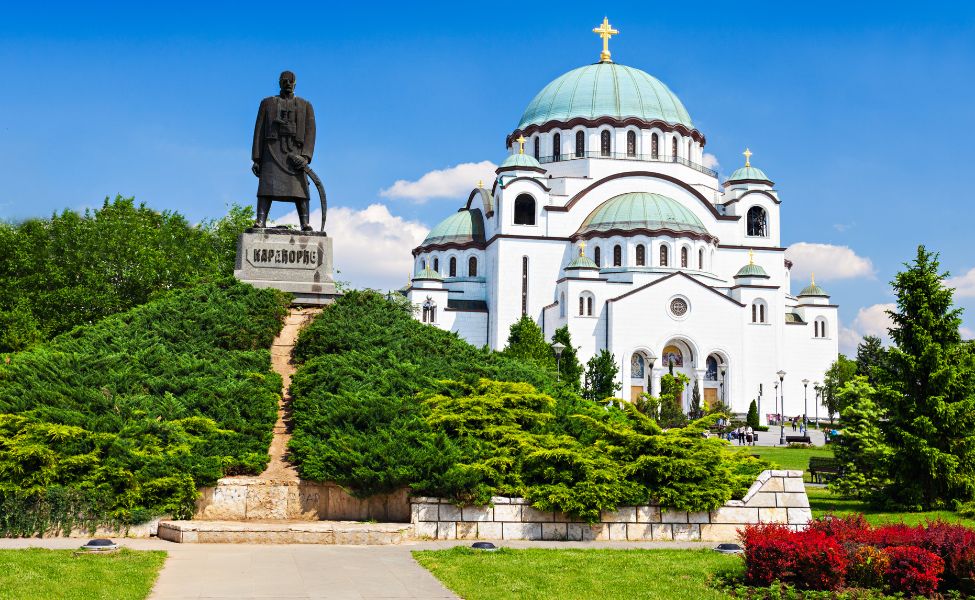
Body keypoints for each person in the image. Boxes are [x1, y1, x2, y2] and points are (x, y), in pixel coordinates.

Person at [252, 70, 317, 231]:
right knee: (266, 186)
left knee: (300, 189)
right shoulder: (267, 103)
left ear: (295, 84)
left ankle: (305, 223)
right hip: (271, 152)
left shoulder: (305, 105)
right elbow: (258, 131)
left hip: (296, 154)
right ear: (279, 82)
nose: (288, 83)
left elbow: (311, 132)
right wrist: (257, 159)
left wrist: (306, 157)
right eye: (284, 80)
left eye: (291, 81)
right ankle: (260, 220)